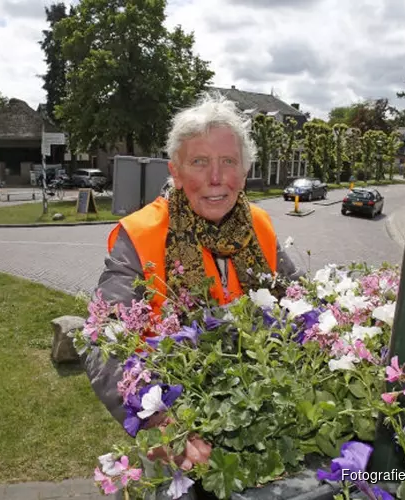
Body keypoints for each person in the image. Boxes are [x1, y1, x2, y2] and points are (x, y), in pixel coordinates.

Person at [82, 92, 303, 499]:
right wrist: (157, 422)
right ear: (176, 171)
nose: (216, 178)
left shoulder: (260, 227)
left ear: (245, 168)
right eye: (199, 162)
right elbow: (102, 337)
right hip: (180, 436)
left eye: (228, 162)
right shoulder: (142, 235)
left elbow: (301, 305)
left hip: (262, 426)